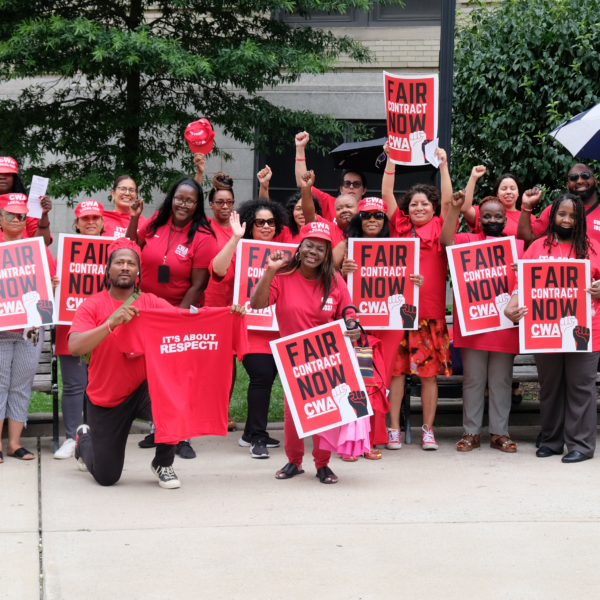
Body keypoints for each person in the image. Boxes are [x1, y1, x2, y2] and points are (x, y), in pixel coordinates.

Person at [250, 221, 361, 484]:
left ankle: (323, 465)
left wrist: (353, 325)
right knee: (293, 412)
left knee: (325, 412)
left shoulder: (333, 280)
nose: (313, 252)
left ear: (326, 254)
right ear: (299, 247)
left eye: (320, 249)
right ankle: (294, 461)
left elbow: (347, 309)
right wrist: (269, 272)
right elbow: (257, 304)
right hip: (293, 357)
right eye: (309, 246)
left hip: (326, 356)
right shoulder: (283, 275)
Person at [69, 237, 181, 488]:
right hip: (107, 397)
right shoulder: (92, 305)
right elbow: (75, 347)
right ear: (107, 269)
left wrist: (229, 314)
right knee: (107, 477)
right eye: (119, 262)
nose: (125, 267)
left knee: (173, 398)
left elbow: (185, 323)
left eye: (131, 263)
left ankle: (163, 463)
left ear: (138, 271)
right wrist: (111, 323)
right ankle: (83, 441)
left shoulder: (151, 302)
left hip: (143, 389)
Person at [505, 193, 600, 463]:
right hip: (544, 330)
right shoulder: (536, 247)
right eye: (562, 214)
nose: (567, 219)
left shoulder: (594, 247)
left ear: (580, 219)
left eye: (573, 215)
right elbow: (520, 285)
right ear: (552, 216)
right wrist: (510, 308)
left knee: (581, 386)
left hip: (585, 330)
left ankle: (581, 445)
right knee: (550, 386)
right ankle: (551, 440)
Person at [126, 177, 217, 459]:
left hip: (180, 313)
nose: (183, 204)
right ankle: (160, 429)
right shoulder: (155, 222)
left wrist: (175, 316)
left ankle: (183, 436)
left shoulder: (203, 236)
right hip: (147, 310)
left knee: (179, 376)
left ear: (197, 204)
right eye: (179, 197)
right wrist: (134, 218)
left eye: (190, 200)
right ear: (172, 197)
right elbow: (129, 244)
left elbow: (199, 284)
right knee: (154, 374)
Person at [337, 193, 425, 459]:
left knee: (378, 381)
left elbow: (408, 284)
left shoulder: (400, 246)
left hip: (389, 324)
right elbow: (326, 276)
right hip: (357, 321)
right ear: (358, 219)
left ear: (385, 220)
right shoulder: (346, 246)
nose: (372, 220)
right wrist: (343, 271)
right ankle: (350, 441)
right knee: (355, 379)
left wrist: (416, 281)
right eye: (366, 215)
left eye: (378, 215)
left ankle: (373, 438)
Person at [382, 146, 453, 451]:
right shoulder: (399, 228)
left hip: (430, 315)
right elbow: (386, 195)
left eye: (425, 203)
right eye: (413, 204)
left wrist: (444, 165)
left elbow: (450, 201)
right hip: (399, 315)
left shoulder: (440, 229)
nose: (419, 208)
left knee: (428, 377)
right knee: (396, 374)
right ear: (407, 209)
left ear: (434, 209)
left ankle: (427, 431)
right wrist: (391, 159)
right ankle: (394, 429)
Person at [441, 192, 524, 453]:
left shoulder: (517, 246)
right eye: (486, 215)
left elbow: (530, 278)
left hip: (504, 326)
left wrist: (519, 270)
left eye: (498, 216)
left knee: (501, 381)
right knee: (473, 380)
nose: (492, 220)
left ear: (505, 219)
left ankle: (500, 433)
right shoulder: (466, 240)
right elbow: (445, 241)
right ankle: (471, 433)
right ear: (478, 219)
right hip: (474, 325)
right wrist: (455, 209)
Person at [211, 199, 288, 458]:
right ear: (250, 225)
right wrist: (234, 238)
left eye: (271, 222)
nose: (266, 226)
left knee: (271, 377)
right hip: (251, 328)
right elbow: (218, 269)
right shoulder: (241, 251)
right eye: (260, 222)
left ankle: (249, 434)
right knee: (262, 375)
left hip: (280, 328)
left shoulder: (288, 252)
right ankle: (257, 437)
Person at [0, 193, 56, 463]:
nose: (15, 219)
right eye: (9, 214)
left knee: (21, 386)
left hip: (30, 331)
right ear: (0, 218)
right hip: (1, 331)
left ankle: (14, 444)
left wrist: (52, 287)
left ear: (26, 220)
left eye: (21, 215)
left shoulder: (38, 249)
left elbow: (48, 292)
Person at [53, 200, 108, 459]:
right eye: (85, 218)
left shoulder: (113, 253)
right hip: (71, 327)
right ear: (76, 223)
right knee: (75, 385)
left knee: (99, 384)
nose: (90, 222)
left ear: (102, 222)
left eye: (95, 217)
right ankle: (71, 438)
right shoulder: (64, 253)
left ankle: (98, 435)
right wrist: (54, 284)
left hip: (103, 328)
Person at [518, 164, 600, 245]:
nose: (580, 181)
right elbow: (525, 241)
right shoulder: (555, 209)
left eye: (585, 175)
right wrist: (527, 206)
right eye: (573, 178)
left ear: (595, 182)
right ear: (567, 186)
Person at [294, 131, 367, 223]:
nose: (351, 187)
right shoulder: (329, 202)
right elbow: (303, 184)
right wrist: (300, 148)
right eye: (347, 183)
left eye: (356, 184)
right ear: (341, 189)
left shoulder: (370, 209)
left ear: (364, 190)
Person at [0, 157, 53, 246]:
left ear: (14, 178)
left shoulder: (26, 205)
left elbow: (43, 243)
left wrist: (43, 215)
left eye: (8, 173)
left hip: (22, 258)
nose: (2, 177)